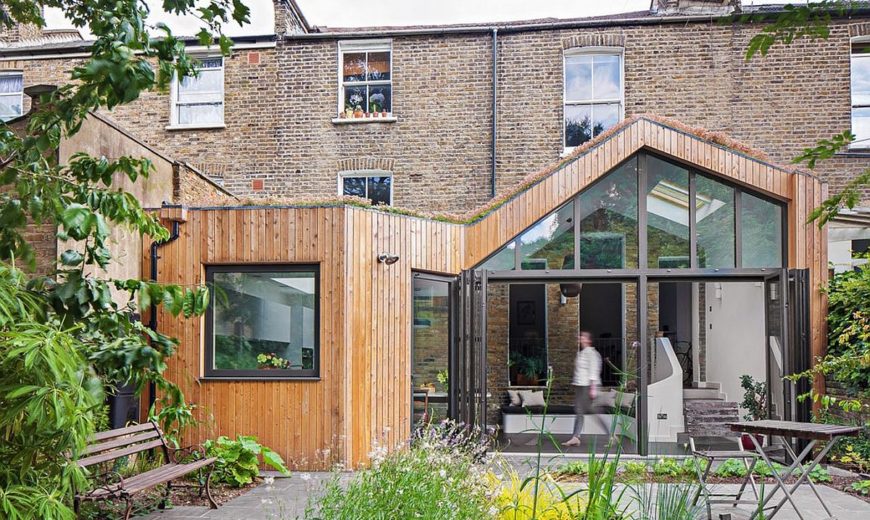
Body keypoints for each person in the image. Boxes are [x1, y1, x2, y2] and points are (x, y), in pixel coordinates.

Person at [562, 330, 610, 447]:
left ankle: (611, 435)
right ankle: (575, 437)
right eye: (580, 337)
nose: (580, 338)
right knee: (579, 411)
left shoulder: (592, 354)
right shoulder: (581, 353)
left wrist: (592, 389)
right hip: (580, 386)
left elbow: (594, 371)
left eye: (582, 337)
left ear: (588, 340)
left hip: (587, 387)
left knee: (592, 411)